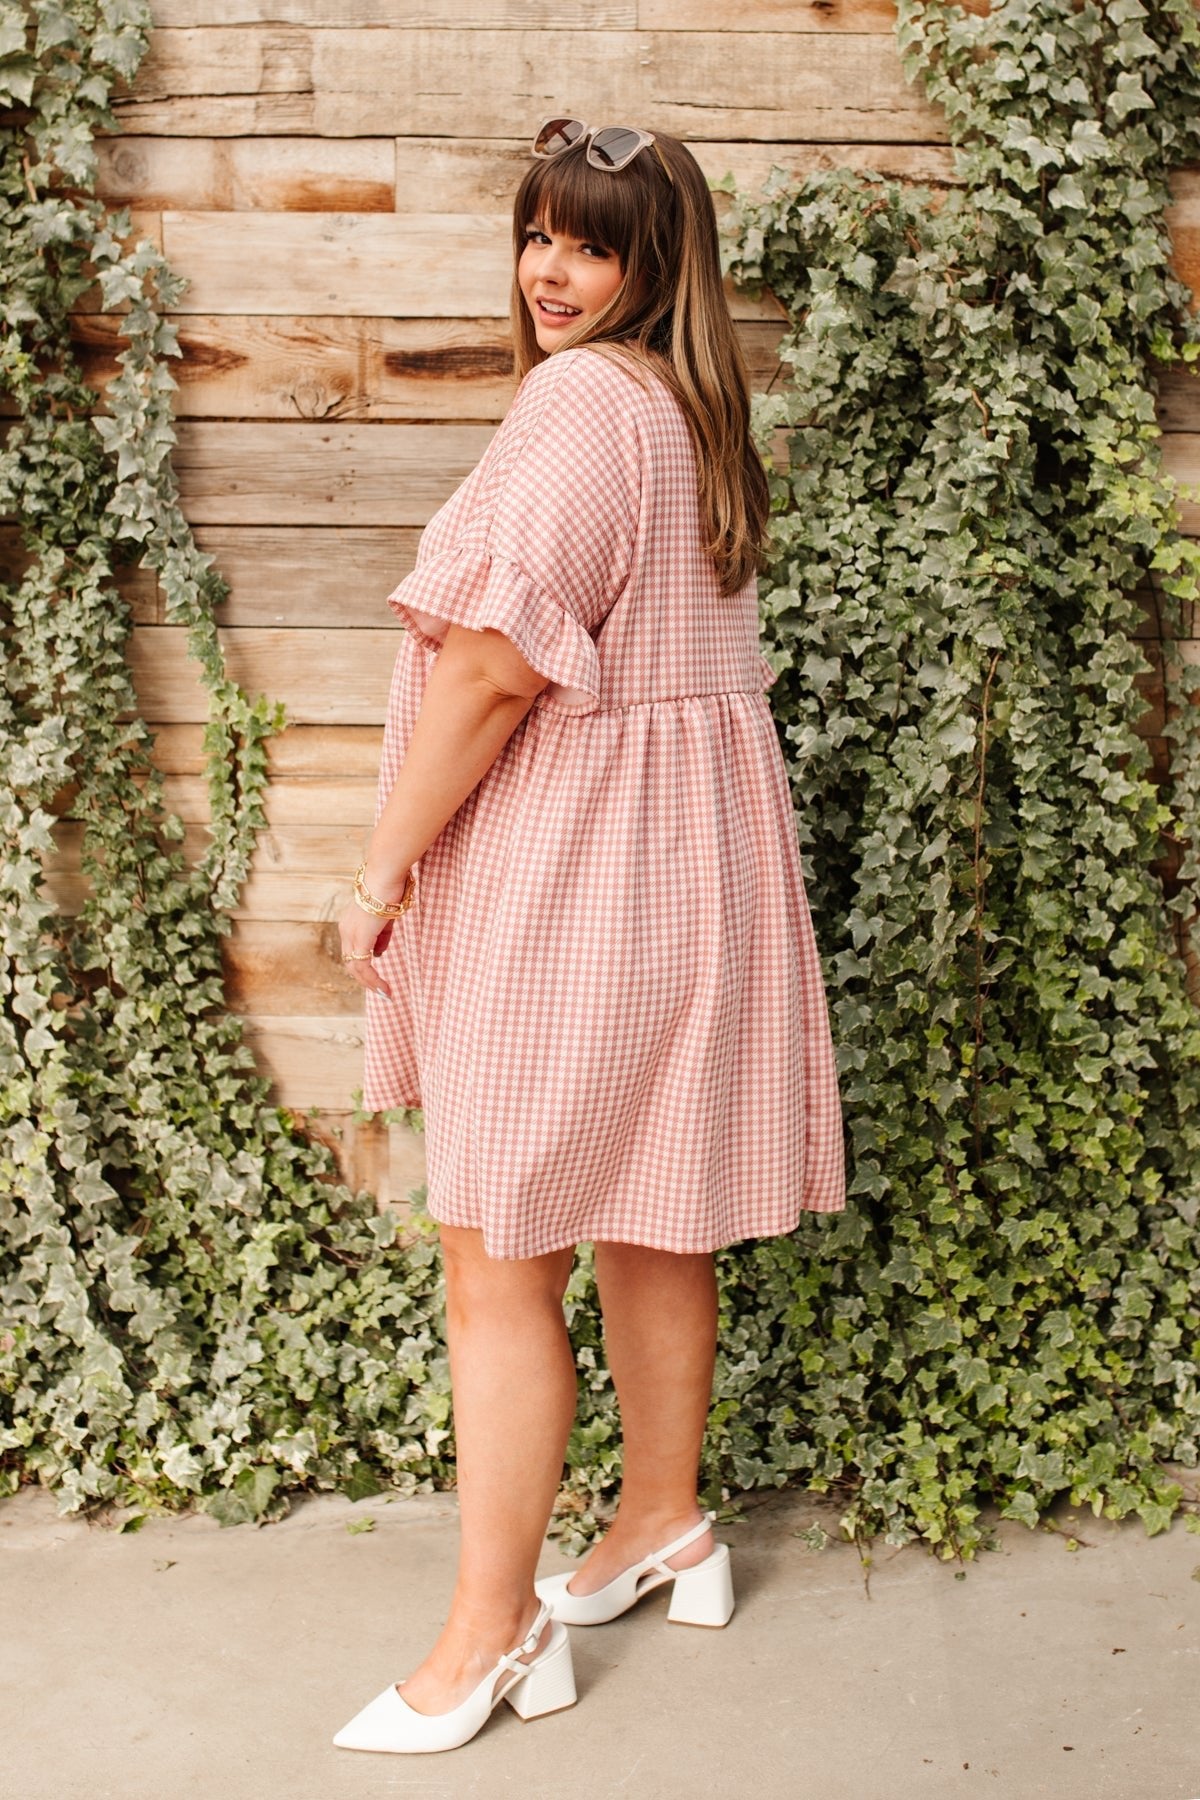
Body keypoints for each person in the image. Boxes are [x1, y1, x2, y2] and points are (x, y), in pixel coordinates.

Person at [332, 118, 846, 1756]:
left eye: (594, 244)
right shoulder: (694, 410)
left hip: (574, 877)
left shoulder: (576, 405)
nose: (551, 272)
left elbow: (496, 669)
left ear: (655, 264)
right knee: (652, 1208)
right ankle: (663, 1523)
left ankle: (491, 1639)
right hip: (694, 871)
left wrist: (381, 871)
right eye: (539, 234)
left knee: (498, 1260)